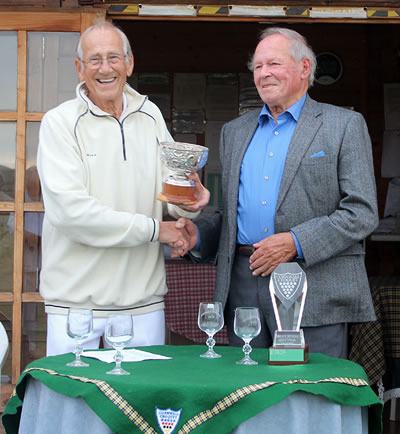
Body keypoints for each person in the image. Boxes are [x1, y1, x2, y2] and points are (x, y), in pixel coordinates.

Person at [179, 27, 378, 358]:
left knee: (311, 392)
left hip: (316, 283)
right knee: (250, 393)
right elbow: (231, 215)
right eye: (257, 67)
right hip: (243, 283)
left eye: (274, 63)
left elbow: (361, 212)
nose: (263, 73)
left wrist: (295, 242)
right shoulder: (235, 132)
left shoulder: (343, 125)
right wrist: (196, 234)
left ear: (304, 68)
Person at [37, 21, 209, 356]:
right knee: (75, 405)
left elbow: (170, 193)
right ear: (79, 68)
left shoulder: (151, 116)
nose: (105, 68)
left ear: (129, 64)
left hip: (141, 304)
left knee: (140, 407)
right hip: (75, 305)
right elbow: (72, 214)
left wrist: (190, 204)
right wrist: (158, 231)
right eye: (95, 59)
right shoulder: (59, 123)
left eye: (113, 58)